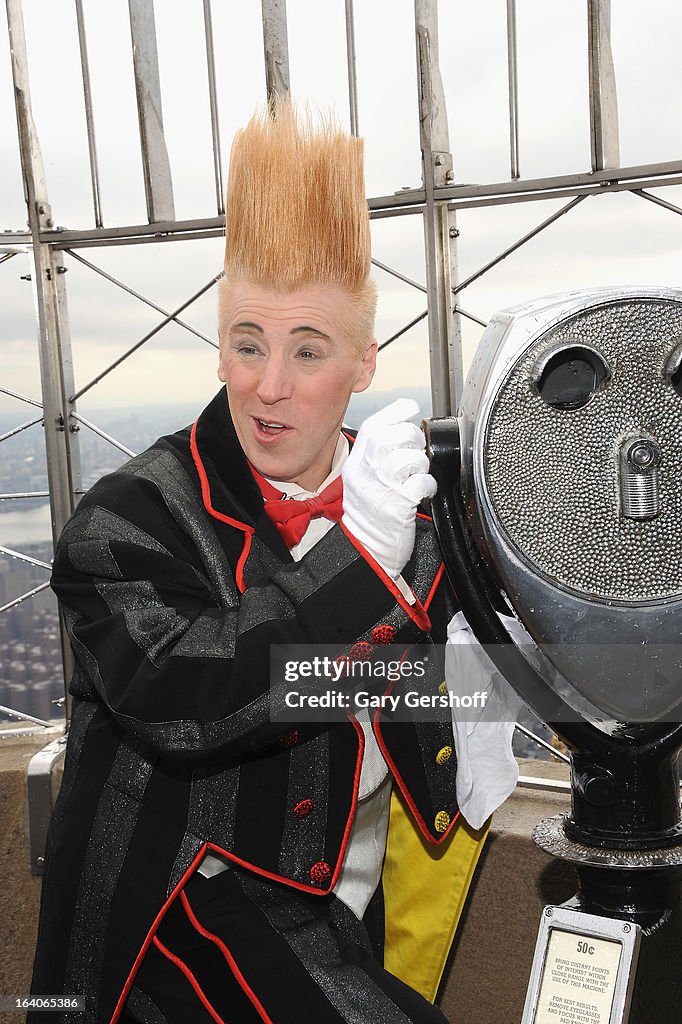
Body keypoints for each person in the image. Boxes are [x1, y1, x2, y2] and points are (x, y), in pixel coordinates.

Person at [29, 99, 511, 1024]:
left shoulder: (401, 492)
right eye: (248, 344)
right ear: (221, 344)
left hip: (345, 910)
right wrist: (364, 564)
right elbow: (185, 698)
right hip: (176, 921)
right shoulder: (123, 520)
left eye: (308, 350)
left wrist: (476, 693)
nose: (269, 385)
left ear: (364, 364)